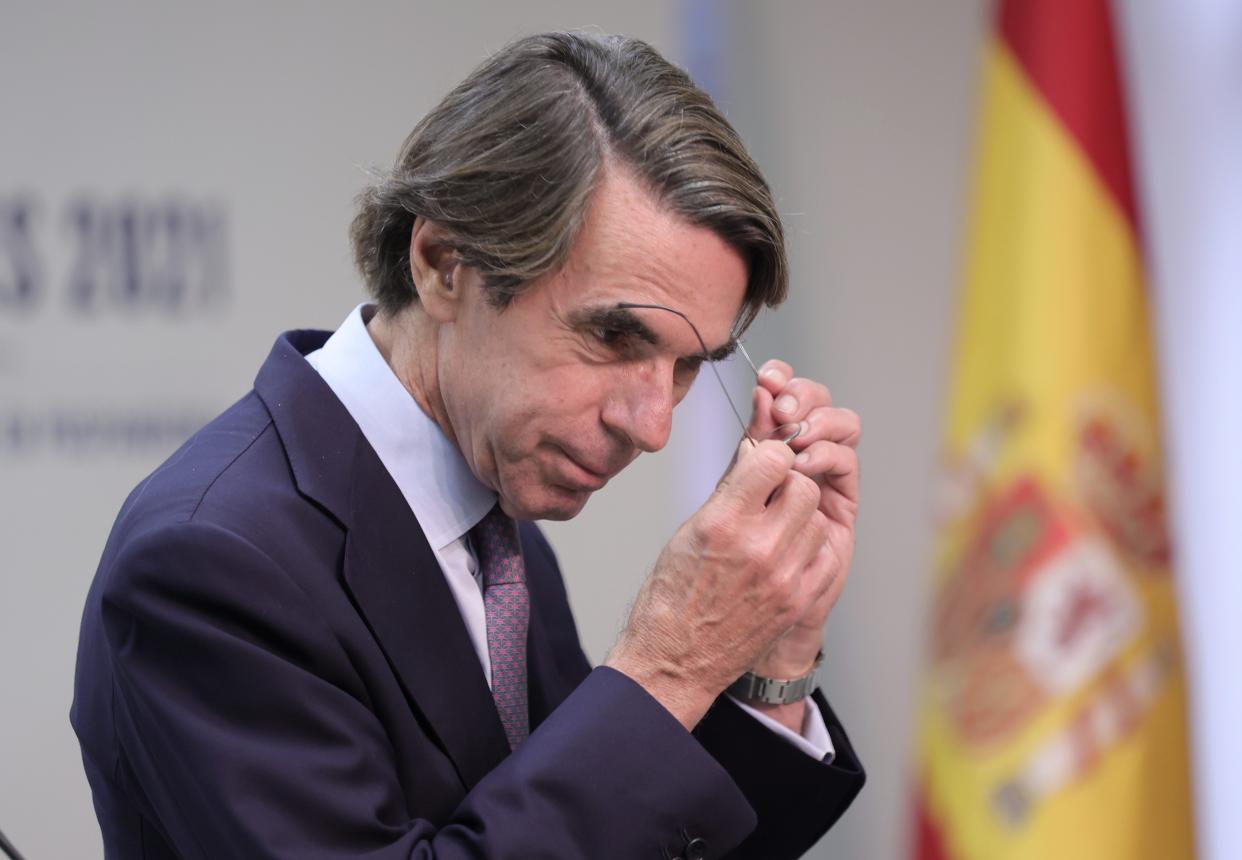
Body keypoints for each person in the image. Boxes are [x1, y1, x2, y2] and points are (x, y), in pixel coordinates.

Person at [71, 32, 865, 859]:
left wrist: (771, 656)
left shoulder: (495, 517)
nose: (653, 425)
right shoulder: (204, 563)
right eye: (613, 336)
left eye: (688, 366)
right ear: (444, 264)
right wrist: (667, 668)